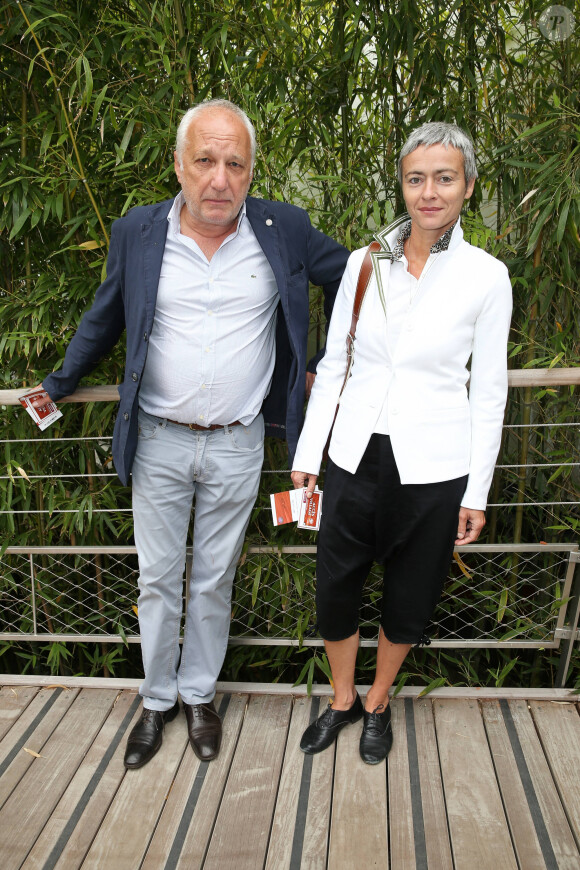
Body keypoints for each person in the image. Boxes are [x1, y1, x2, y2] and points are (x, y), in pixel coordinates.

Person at [33, 99, 349, 768]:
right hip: (159, 438)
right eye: (205, 160)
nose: (219, 179)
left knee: (212, 579)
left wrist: (324, 365)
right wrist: (57, 383)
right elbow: (106, 315)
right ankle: (156, 701)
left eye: (234, 163)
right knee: (157, 577)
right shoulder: (138, 232)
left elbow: (358, 281)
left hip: (238, 441)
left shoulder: (284, 229)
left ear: (251, 170)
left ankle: (200, 696)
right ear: (178, 164)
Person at [291, 122, 512, 765]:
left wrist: (477, 490)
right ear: (403, 185)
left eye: (444, 178)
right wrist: (308, 457)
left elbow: (489, 392)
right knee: (335, 586)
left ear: (467, 186)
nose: (429, 192)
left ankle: (378, 700)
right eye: (417, 179)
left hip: (435, 465)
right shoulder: (364, 264)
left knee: (410, 594)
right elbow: (335, 367)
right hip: (353, 454)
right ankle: (340, 699)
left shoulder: (486, 277)